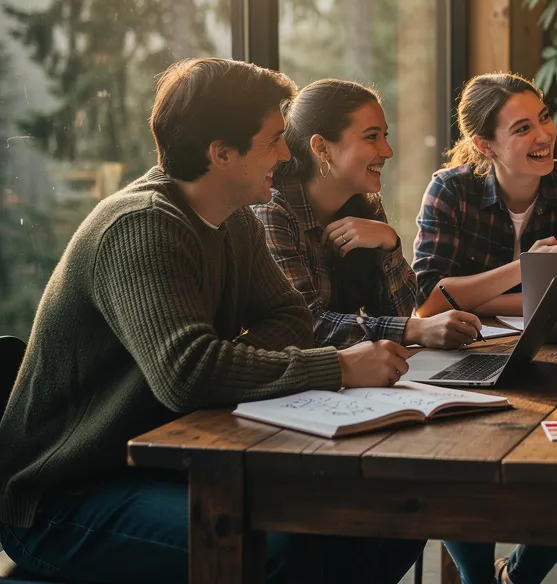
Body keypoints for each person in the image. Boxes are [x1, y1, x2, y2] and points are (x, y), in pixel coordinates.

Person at [0, 59, 423, 583]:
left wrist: (228, 363)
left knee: (387, 512)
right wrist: (335, 367)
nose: (287, 154)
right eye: (273, 140)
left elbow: (288, 315)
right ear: (221, 153)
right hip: (65, 497)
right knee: (284, 549)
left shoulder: (234, 222)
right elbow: (188, 373)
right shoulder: (141, 227)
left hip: (164, 459)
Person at [413, 71, 557, 584]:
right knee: (455, 462)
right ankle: (480, 579)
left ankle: (518, 576)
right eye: (522, 128)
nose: (544, 135)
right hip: (462, 353)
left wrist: (475, 290)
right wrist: (529, 269)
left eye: (543, 118)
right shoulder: (450, 188)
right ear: (485, 144)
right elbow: (429, 300)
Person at [254, 78, 481, 350]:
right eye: (371, 137)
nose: (387, 151)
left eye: (384, 136)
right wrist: (414, 329)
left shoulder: (364, 206)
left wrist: (389, 243)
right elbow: (306, 326)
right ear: (322, 148)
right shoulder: (272, 212)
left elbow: (397, 314)